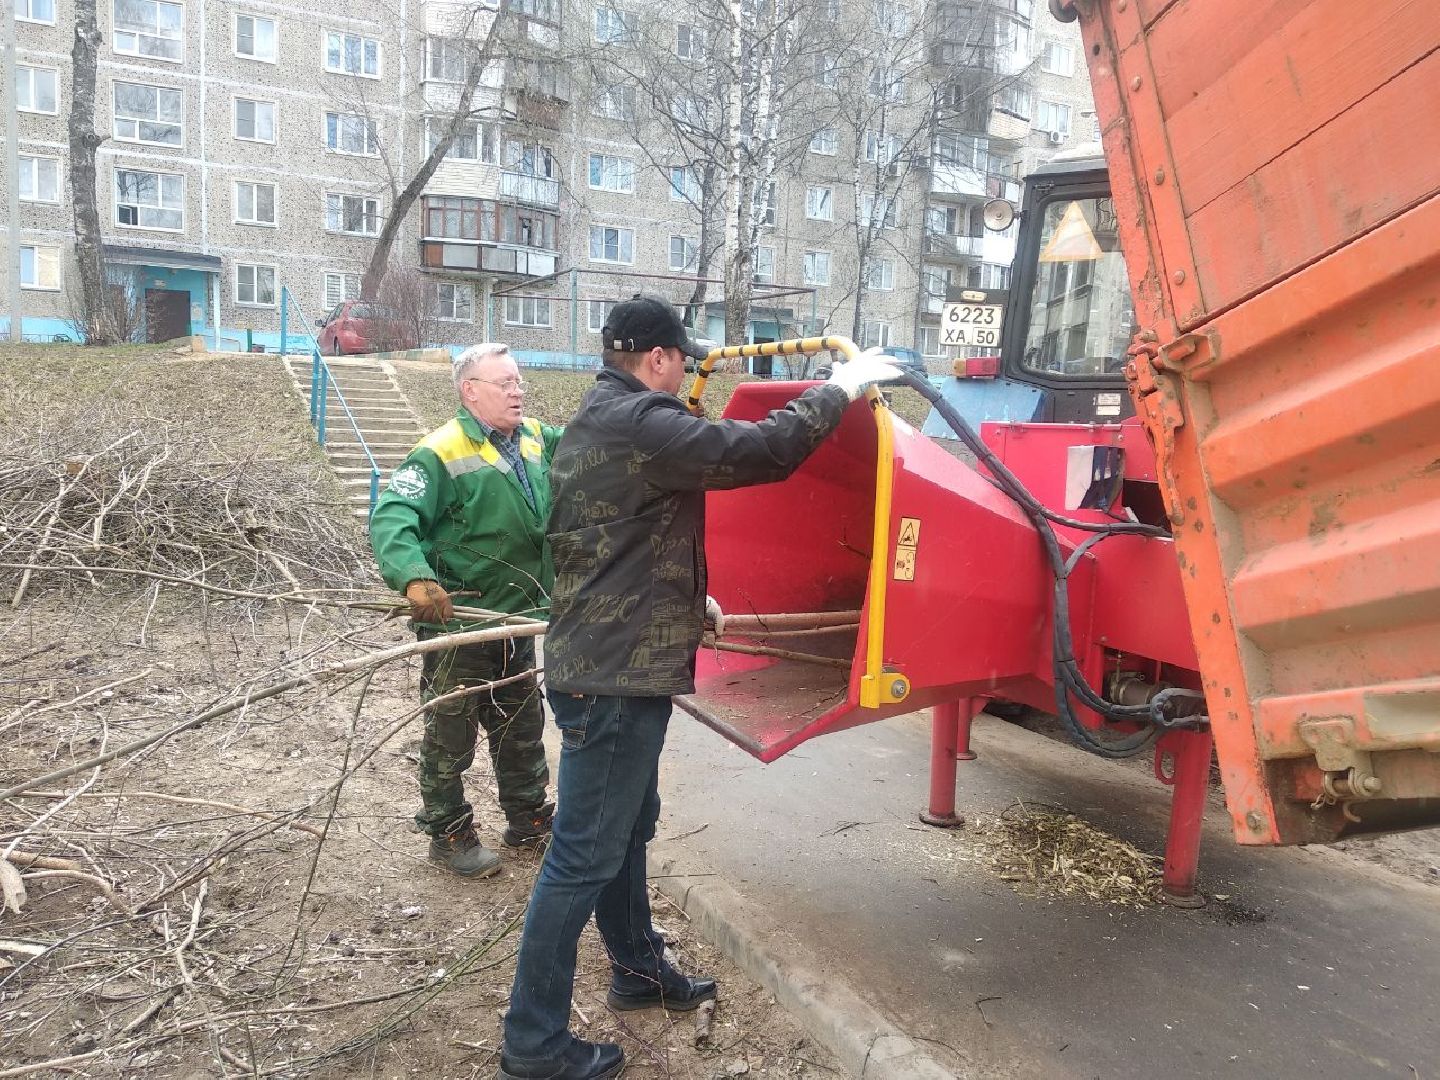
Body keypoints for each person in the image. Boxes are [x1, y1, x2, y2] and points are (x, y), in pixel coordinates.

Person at [497, 296, 900, 1080]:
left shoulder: (594, 422)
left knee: (626, 831)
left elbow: (608, 537)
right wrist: (842, 387)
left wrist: (689, 601)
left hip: (610, 666)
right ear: (658, 358)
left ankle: (639, 972)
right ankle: (533, 1043)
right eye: (683, 361)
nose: (686, 374)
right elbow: (761, 450)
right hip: (612, 681)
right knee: (581, 857)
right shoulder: (643, 422)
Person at [370, 343, 560, 879]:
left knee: (521, 724)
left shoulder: (534, 438)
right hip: (464, 624)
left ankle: (529, 819)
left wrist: (654, 432)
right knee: (451, 734)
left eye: (519, 380)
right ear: (469, 390)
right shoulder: (439, 451)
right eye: (505, 383)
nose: (517, 390)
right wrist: (414, 576)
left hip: (517, 618)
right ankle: (448, 832)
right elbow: (393, 517)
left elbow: (596, 449)